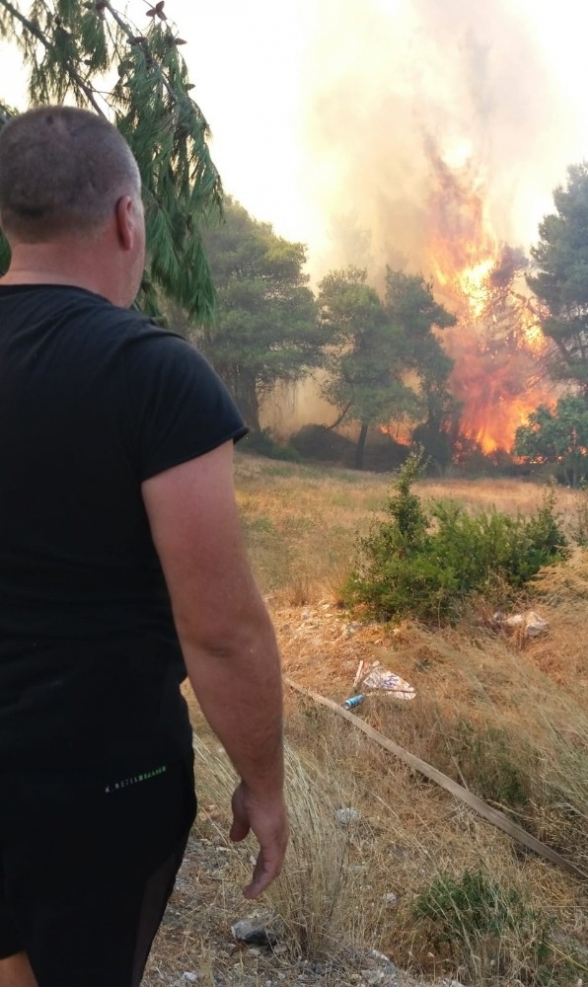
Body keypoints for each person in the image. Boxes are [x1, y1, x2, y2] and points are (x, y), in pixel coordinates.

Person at [0, 105, 288, 987]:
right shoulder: (152, 373)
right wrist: (264, 782)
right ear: (128, 219)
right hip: (96, 785)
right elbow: (222, 631)